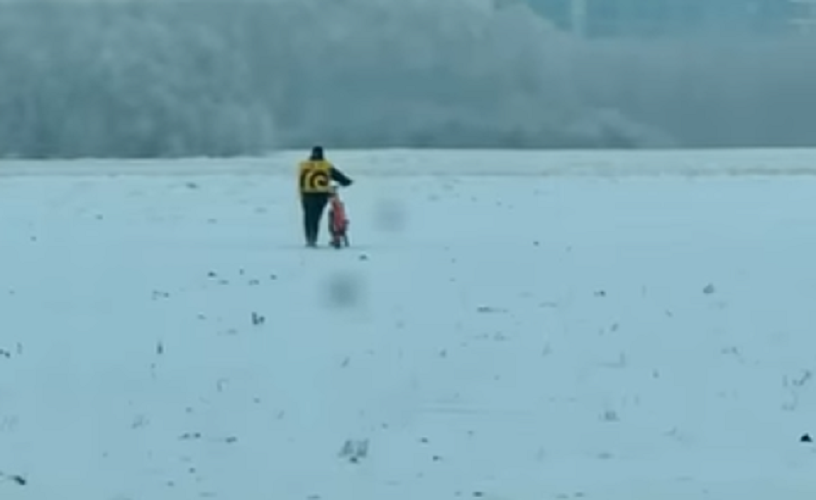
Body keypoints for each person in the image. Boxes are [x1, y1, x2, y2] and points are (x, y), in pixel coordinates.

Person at [297, 146, 352, 247]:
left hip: (307, 194)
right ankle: (313, 238)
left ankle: (310, 239)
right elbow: (337, 176)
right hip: (321, 194)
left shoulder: (304, 165)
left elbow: (301, 179)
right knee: (316, 217)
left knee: (308, 217)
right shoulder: (325, 165)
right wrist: (346, 181)